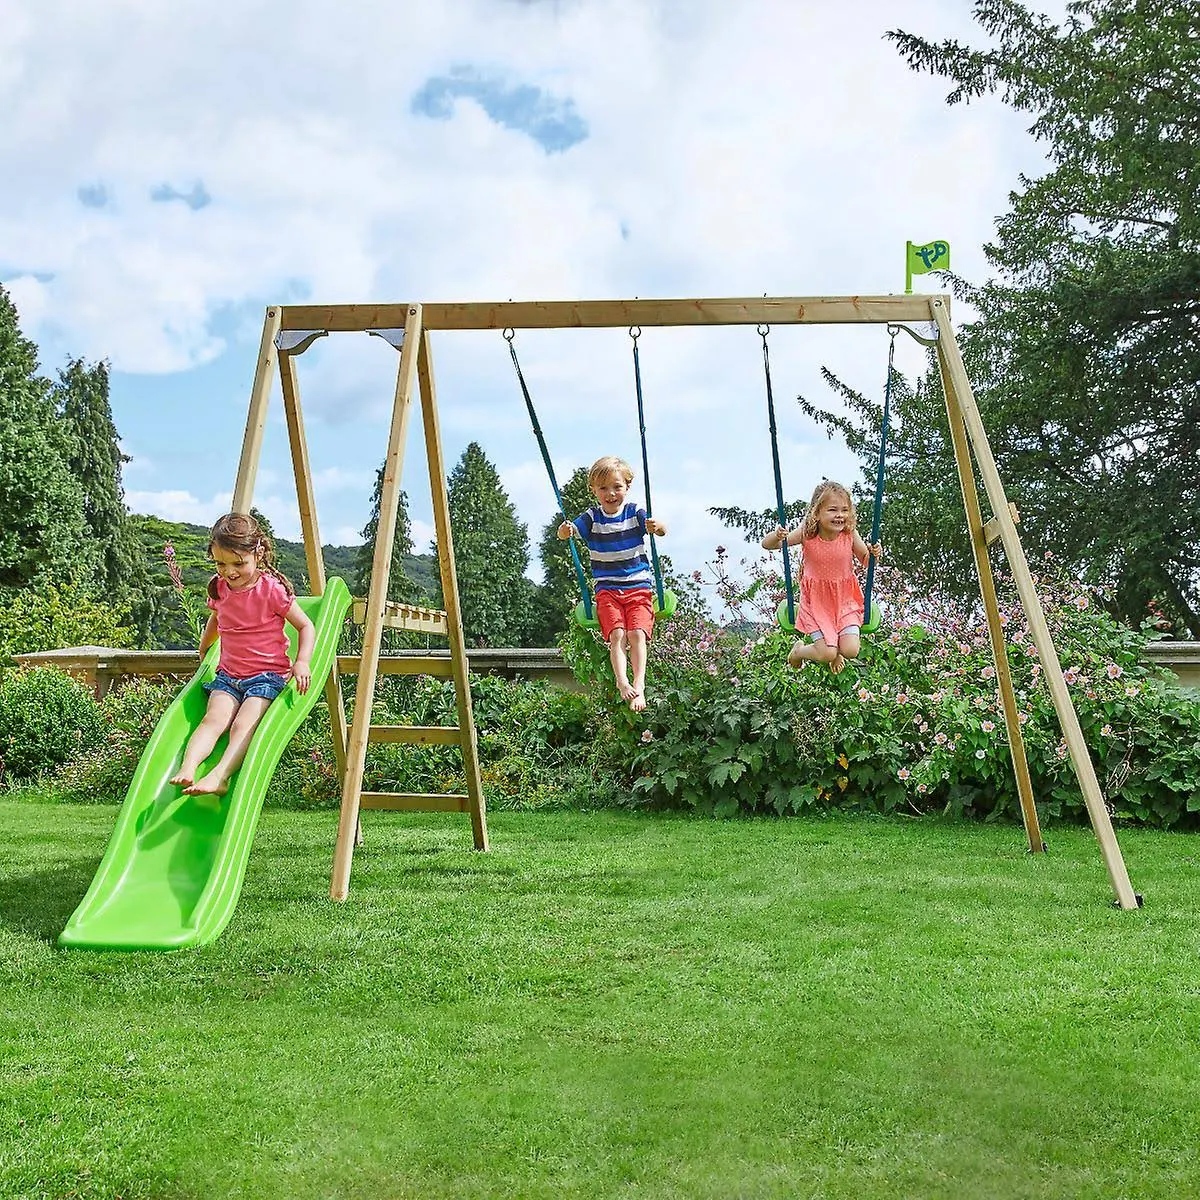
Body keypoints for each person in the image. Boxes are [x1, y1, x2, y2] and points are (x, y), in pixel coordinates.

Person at [169, 512, 315, 797]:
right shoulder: (221, 588)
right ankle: (188, 768)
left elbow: (305, 625)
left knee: (242, 724)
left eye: (238, 563)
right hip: (229, 677)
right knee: (212, 721)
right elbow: (216, 618)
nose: (229, 571)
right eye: (220, 563)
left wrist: (302, 662)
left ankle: (220, 775)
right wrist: (205, 646)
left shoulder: (271, 590)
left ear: (258, 554)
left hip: (266, 677)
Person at [558, 455, 667, 712]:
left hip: (638, 586)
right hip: (607, 589)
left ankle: (639, 686)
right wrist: (565, 531)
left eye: (616, 487)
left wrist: (656, 526)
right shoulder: (592, 517)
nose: (610, 493)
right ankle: (622, 682)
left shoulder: (634, 512)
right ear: (593, 490)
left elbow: (661, 530)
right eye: (603, 488)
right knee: (617, 634)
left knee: (636, 634)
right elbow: (568, 531)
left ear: (627, 487)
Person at [761, 480, 881, 675]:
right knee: (826, 653)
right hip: (817, 603)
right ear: (816, 512)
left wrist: (874, 553)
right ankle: (799, 651)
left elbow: (867, 561)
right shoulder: (807, 534)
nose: (840, 515)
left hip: (845, 600)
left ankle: (838, 650)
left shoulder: (849, 534)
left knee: (850, 650)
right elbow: (768, 545)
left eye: (844, 510)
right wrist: (777, 535)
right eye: (832, 510)